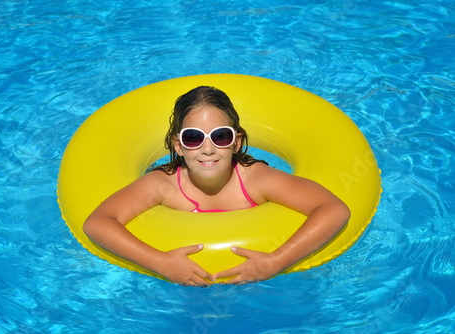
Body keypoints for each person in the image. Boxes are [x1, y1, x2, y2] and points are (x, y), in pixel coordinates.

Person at [83, 86, 350, 286]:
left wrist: (275, 262)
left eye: (221, 136)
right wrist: (160, 262)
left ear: (236, 142)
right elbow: (98, 222)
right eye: (193, 137)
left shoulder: (254, 180)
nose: (208, 148)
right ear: (178, 145)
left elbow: (334, 209)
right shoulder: (163, 185)